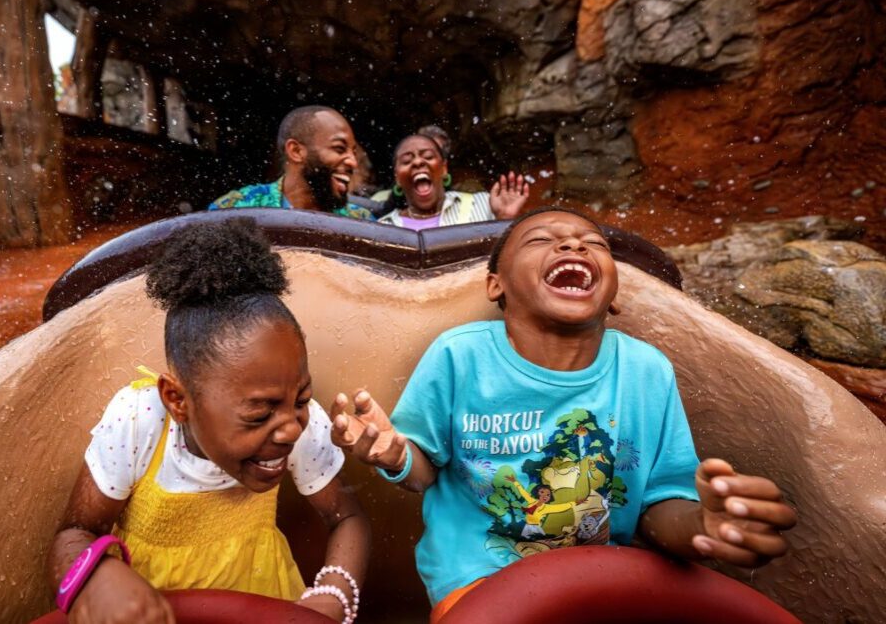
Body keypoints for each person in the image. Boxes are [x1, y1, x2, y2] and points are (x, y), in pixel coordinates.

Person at [330, 207, 797, 622]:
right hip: (482, 585)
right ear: (498, 285)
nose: (573, 244)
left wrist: (704, 527)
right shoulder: (460, 356)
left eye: (594, 244)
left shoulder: (646, 371)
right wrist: (396, 456)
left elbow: (658, 507)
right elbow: (423, 470)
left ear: (613, 294)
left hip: (604, 580)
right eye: (540, 240)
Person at [48, 218, 370, 624]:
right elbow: (75, 532)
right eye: (258, 414)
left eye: (301, 398)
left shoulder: (298, 422)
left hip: (268, 602)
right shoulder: (140, 422)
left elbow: (347, 516)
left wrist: (333, 595)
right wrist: (97, 578)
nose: (290, 428)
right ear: (178, 399)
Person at [209, 106, 374, 220]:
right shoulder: (238, 208)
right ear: (296, 151)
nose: (353, 162)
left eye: (353, 152)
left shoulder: (362, 223)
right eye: (339, 149)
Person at [377, 134, 529, 230]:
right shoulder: (383, 228)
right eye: (407, 160)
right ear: (397, 177)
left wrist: (505, 218)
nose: (417, 162)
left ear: (444, 168)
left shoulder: (486, 204)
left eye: (428, 156)